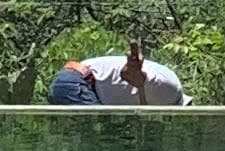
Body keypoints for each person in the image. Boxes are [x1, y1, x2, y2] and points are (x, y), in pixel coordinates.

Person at [43, 41, 189, 107]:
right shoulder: (171, 94)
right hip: (77, 84)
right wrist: (139, 78)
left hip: (73, 82)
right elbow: (151, 80)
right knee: (103, 138)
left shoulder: (166, 95)